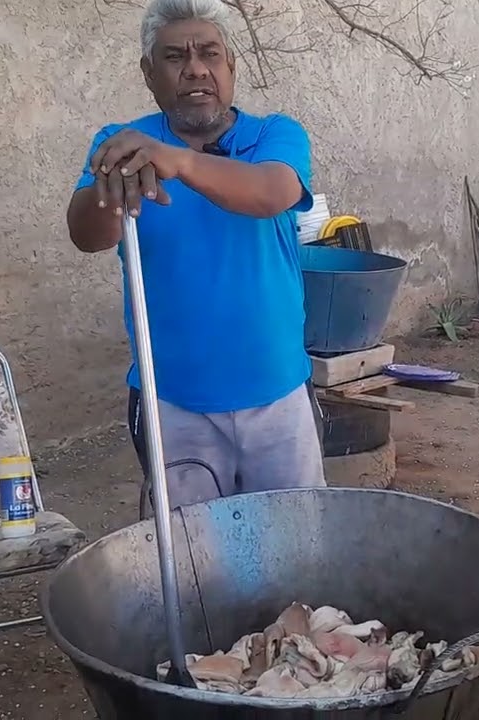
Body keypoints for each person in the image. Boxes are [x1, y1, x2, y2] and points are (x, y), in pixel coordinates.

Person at [66, 0, 326, 510]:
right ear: (148, 73)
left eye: (209, 53)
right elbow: (87, 235)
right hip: (172, 402)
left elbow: (272, 192)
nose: (195, 69)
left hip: (278, 396)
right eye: (174, 57)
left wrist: (179, 163)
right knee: (193, 562)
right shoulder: (122, 145)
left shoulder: (272, 135)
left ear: (231, 66)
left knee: (297, 550)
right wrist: (109, 189)